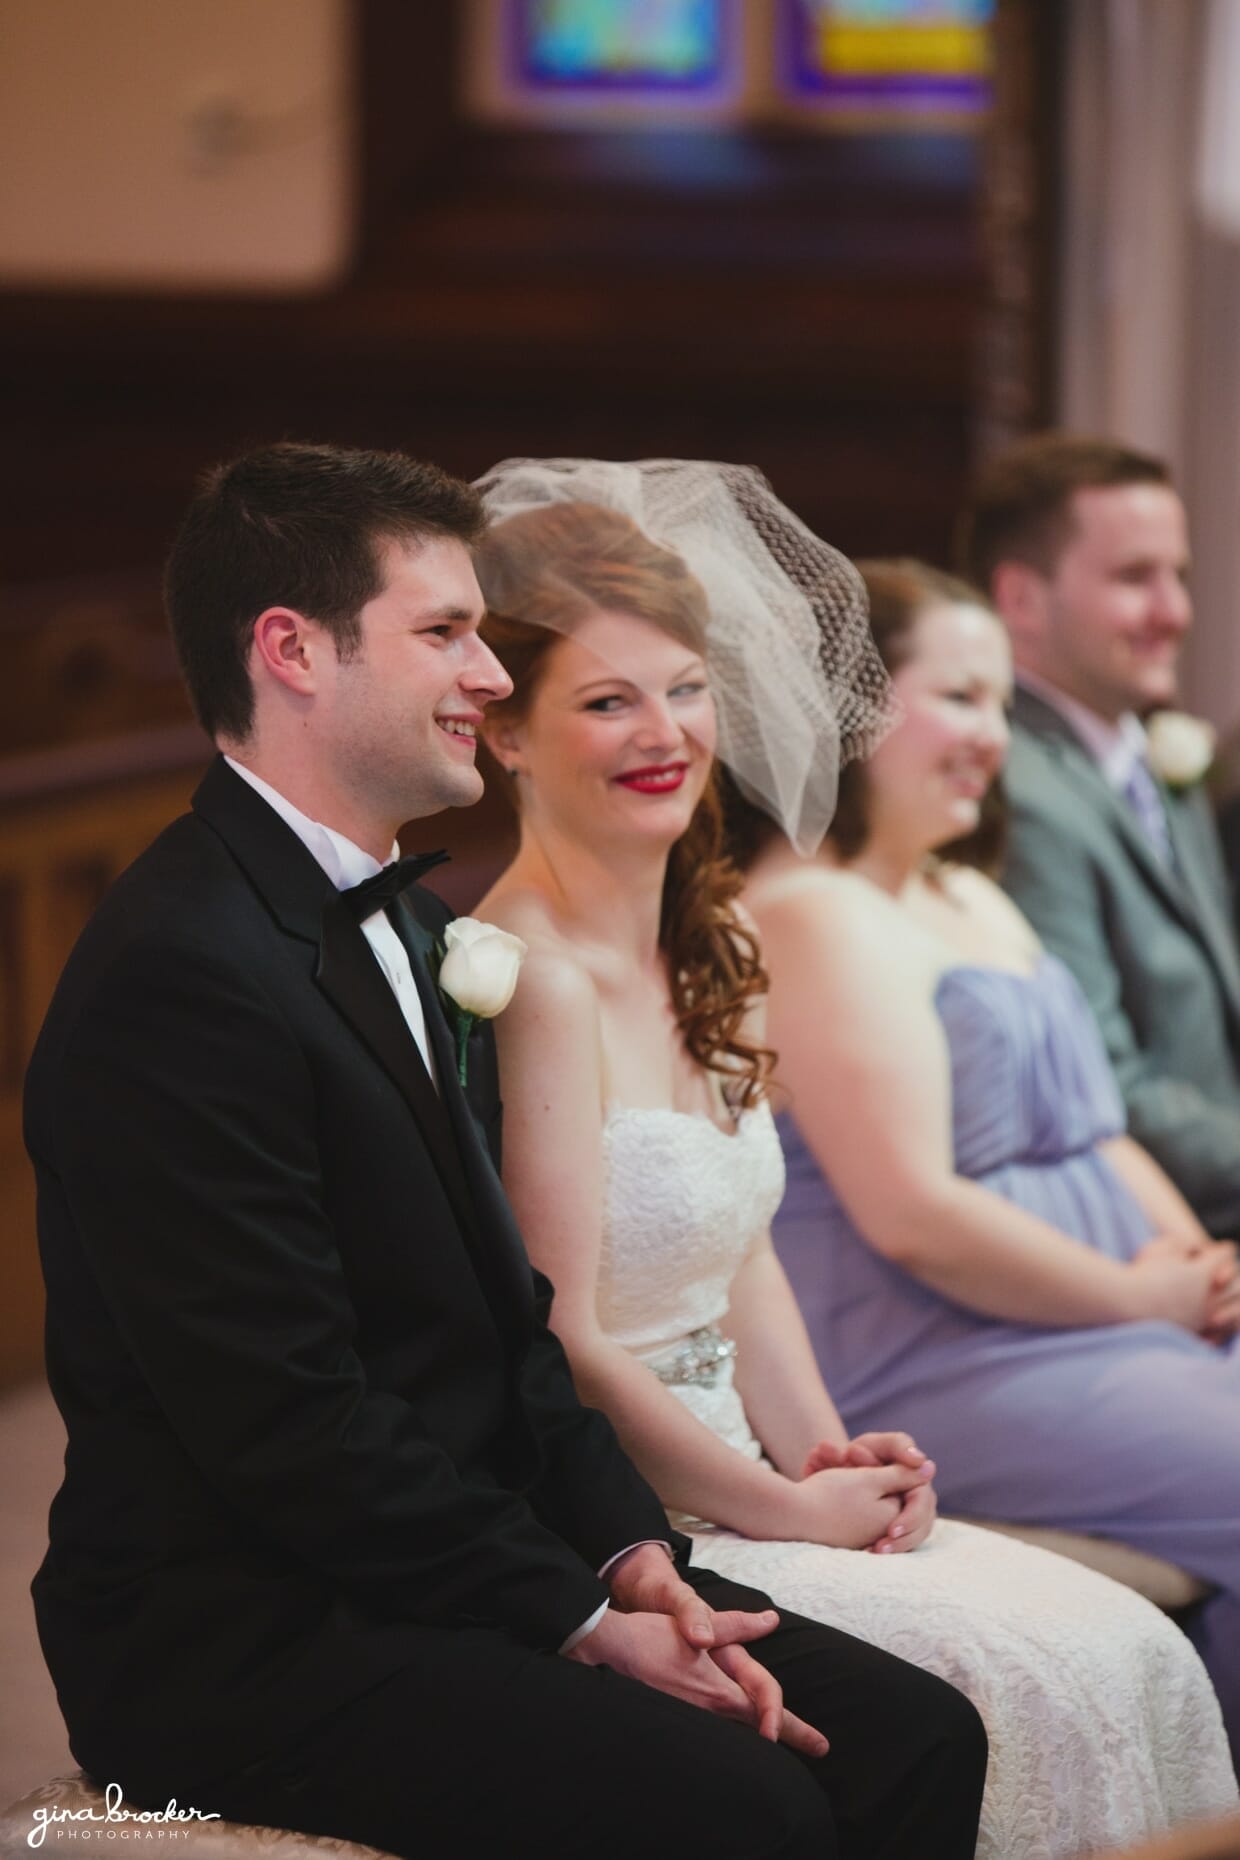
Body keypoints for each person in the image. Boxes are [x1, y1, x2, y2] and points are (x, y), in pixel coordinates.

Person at [22, 442, 989, 1860]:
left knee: (919, 1738)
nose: (488, 674)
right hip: (244, 1632)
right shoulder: (179, 970)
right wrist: (578, 1620)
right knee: (755, 1811)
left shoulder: (412, 925)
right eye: (445, 634)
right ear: (293, 652)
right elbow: (289, 1421)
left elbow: (510, 1325)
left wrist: (631, 1558)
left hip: (445, 1555)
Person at [466, 459, 1237, 1858]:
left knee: (1126, 1653)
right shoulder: (523, 980)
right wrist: (783, 1505)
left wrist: (833, 1451)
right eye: (605, 700)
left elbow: (743, 1244)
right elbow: (561, 1335)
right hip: (629, 1508)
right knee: (1024, 1688)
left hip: (757, 1461)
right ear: (506, 735)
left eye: (688, 688)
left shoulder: (712, 939)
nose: (665, 733)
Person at [742, 553, 1240, 1771]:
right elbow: (913, 1213)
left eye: (999, 704)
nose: (989, 737)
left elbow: (1096, 1129)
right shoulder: (812, 911)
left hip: (1094, 1317)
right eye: (957, 698)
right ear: (853, 711)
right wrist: (1142, 1296)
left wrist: (1197, 1264)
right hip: (941, 1341)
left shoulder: (969, 894)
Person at [958, 433, 1240, 1238]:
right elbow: (1102, 1084)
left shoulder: (1147, 757)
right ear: (1020, 598)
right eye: (1134, 578)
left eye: (1179, 577)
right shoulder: (1014, 789)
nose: (1174, 612)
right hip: (1135, 1230)